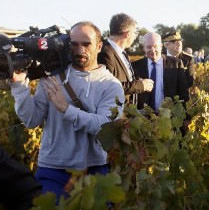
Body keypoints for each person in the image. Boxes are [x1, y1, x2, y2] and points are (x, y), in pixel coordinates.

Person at [10, 21, 125, 199]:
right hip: (52, 168)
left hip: (93, 168)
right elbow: (32, 120)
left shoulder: (110, 85)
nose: (80, 50)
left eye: (86, 44)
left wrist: (66, 109)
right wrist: (19, 87)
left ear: (99, 46)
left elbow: (106, 127)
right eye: (74, 44)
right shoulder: (52, 77)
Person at [98, 13, 153, 105]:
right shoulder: (105, 53)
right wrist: (141, 85)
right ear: (127, 34)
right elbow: (108, 88)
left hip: (129, 114)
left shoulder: (122, 53)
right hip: (114, 115)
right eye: (135, 33)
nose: (135, 37)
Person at [132, 32, 189, 112]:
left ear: (161, 47)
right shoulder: (135, 66)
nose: (152, 50)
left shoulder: (176, 64)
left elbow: (183, 92)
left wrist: (186, 117)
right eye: (148, 47)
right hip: (143, 119)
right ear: (143, 48)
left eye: (155, 46)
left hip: (169, 117)